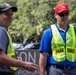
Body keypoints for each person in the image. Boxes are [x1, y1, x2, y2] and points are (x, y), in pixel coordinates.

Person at [0, 3, 39, 75]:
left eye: (11, 14)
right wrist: (23, 64)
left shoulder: (4, 30)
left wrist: (15, 61)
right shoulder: (1, 31)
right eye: (7, 14)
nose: (10, 17)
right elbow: (1, 56)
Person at [39, 2, 76, 75]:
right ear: (55, 15)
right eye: (61, 14)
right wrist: (42, 73)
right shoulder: (48, 32)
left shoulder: (74, 30)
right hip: (55, 70)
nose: (65, 17)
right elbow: (43, 55)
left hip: (73, 70)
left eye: (67, 14)